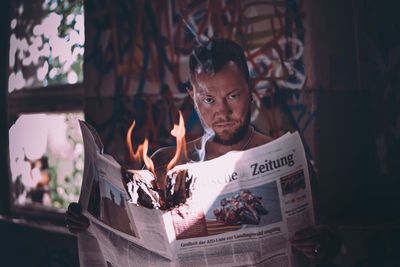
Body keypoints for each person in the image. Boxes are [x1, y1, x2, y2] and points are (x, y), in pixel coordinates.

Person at [66, 38, 341, 263]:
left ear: (251, 89)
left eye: (233, 96)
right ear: (192, 96)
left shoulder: (284, 156)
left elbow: (327, 242)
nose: (222, 110)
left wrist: (323, 244)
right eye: (208, 99)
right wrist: (88, 223)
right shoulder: (166, 163)